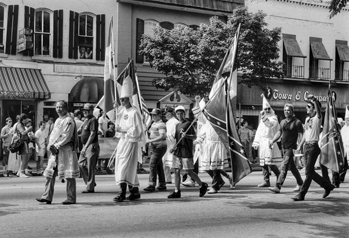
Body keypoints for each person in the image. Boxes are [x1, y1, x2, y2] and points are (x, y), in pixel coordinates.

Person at [292, 96, 335, 201]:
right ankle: (327, 186)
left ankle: (302, 194)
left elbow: (319, 112)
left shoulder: (318, 118)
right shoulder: (307, 119)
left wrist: (315, 100)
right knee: (310, 172)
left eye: (309, 106)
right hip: (306, 146)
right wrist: (300, 146)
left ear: (314, 108)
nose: (306, 108)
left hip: (313, 147)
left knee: (308, 173)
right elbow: (306, 134)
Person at [36, 100, 80, 205]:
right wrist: (50, 145)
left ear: (65, 108)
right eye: (57, 107)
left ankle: (71, 198)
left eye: (60, 107)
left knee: (69, 174)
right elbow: (53, 134)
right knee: (49, 173)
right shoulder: (57, 120)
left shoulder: (69, 120)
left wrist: (56, 145)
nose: (58, 109)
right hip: (55, 151)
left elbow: (66, 136)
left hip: (66, 151)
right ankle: (47, 196)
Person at [113, 78, 144, 202]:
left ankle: (122, 192)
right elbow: (117, 125)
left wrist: (123, 131)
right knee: (123, 166)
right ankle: (134, 191)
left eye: (124, 99)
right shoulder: (121, 111)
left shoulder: (134, 112)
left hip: (130, 142)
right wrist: (116, 112)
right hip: (123, 142)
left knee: (125, 167)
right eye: (121, 99)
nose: (122, 101)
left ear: (129, 99)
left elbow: (137, 130)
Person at [167, 105, 208, 199]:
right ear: (176, 114)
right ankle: (177, 191)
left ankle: (202, 185)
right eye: (178, 113)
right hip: (178, 151)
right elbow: (176, 139)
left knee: (188, 171)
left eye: (181, 113)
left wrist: (187, 136)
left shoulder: (189, 123)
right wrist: (173, 147)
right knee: (176, 170)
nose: (179, 115)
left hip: (186, 150)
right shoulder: (177, 125)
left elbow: (194, 137)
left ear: (184, 114)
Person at [268, 104, 304, 193]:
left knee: (284, 166)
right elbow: (279, 133)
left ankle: (278, 186)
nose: (286, 112)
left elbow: (301, 136)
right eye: (285, 110)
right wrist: (272, 141)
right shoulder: (282, 122)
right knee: (292, 168)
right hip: (284, 148)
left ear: (292, 112)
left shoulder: (297, 122)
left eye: (288, 110)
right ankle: (301, 184)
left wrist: (300, 147)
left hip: (291, 148)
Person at [252, 96, 281, 187]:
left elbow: (270, 125)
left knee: (270, 162)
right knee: (263, 163)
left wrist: (264, 117)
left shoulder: (274, 118)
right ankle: (266, 180)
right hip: (263, 143)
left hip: (270, 142)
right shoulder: (262, 120)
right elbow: (259, 132)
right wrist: (256, 142)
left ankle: (279, 177)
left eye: (269, 108)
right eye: (266, 109)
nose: (267, 110)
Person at [143, 108, 167, 192]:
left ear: (159, 115)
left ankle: (151, 184)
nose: (153, 116)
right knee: (158, 165)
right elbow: (151, 132)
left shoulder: (161, 124)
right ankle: (162, 184)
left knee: (152, 164)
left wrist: (150, 141)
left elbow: (162, 136)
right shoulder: (154, 123)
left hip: (159, 147)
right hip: (154, 147)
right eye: (152, 115)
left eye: (155, 115)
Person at [78, 103, 100, 193]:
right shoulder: (85, 120)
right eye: (84, 110)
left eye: (87, 110)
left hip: (91, 145)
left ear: (91, 111)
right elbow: (80, 130)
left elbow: (92, 134)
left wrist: (86, 146)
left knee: (90, 166)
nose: (85, 112)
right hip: (85, 145)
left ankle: (90, 187)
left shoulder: (93, 120)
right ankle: (90, 182)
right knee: (80, 164)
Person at [163, 107, 179, 184]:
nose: (165, 115)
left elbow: (175, 134)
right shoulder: (168, 122)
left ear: (169, 113)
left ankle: (185, 174)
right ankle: (168, 179)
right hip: (168, 143)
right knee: (165, 162)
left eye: (165, 114)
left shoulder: (175, 122)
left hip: (173, 144)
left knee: (173, 164)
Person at [14, 114, 32, 178]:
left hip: (24, 142)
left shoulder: (22, 125)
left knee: (24, 158)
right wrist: (28, 129)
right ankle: (21, 172)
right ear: (23, 119)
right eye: (26, 119)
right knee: (24, 157)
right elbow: (23, 133)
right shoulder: (19, 125)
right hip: (22, 142)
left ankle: (20, 171)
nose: (27, 121)